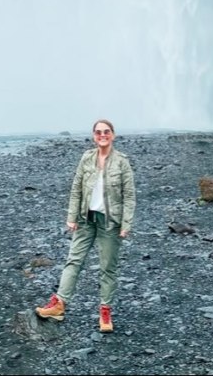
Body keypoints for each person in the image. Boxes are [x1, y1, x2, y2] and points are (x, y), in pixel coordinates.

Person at [35, 118, 136, 333]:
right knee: (74, 260)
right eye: (98, 132)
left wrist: (126, 224)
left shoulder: (122, 162)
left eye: (106, 132)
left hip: (110, 223)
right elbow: (76, 189)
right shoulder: (86, 158)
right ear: (93, 136)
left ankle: (105, 312)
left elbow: (129, 196)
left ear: (113, 135)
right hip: (85, 219)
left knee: (107, 268)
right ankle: (59, 304)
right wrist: (71, 217)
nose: (102, 135)